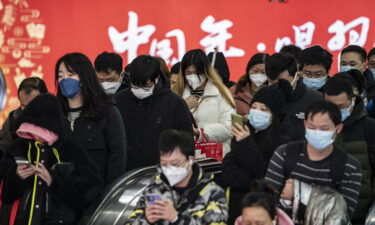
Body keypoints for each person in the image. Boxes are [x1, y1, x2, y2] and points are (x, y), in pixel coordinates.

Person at [0, 93, 102, 225]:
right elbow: (6, 196)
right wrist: (17, 177)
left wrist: (54, 181)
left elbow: (91, 191)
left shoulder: (70, 149)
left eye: (42, 132)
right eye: (32, 131)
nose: (37, 137)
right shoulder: (18, 148)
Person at [265, 100, 362, 221]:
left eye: (324, 129)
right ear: (305, 124)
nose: (317, 132)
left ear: (338, 128)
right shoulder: (284, 153)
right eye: (312, 127)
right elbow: (266, 201)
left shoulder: (349, 167)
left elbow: (343, 215)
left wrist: (298, 192)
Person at [127, 129, 228, 225]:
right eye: (164, 164)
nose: (169, 169)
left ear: (190, 160)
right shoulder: (154, 189)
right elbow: (131, 221)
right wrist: (146, 219)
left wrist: (177, 219)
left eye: (175, 164)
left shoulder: (212, 193)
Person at [56, 52, 126, 185]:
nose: (65, 80)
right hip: (62, 195)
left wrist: (108, 195)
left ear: (85, 77)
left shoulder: (106, 111)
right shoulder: (55, 113)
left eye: (71, 75)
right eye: (60, 76)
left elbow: (117, 155)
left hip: (96, 195)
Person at [115, 55, 193, 171]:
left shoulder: (174, 104)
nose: (140, 90)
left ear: (156, 78)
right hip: (126, 175)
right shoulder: (119, 100)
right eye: (136, 85)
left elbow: (186, 143)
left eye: (146, 86)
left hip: (163, 173)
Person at [222, 85, 285, 225]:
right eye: (254, 107)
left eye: (263, 110)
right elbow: (227, 171)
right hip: (236, 207)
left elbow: (264, 175)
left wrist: (246, 143)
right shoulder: (243, 132)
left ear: (273, 115)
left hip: (262, 211)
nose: (257, 112)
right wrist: (252, 180)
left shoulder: (281, 142)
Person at [324, 76, 375, 224]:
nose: (334, 112)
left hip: (360, 215)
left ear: (352, 101)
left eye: (340, 107)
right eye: (330, 106)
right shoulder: (315, 128)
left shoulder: (369, 127)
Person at [173, 49, 236, 155]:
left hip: (215, 157)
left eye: (197, 73)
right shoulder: (176, 92)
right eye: (188, 73)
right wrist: (183, 107)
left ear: (206, 72)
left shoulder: (221, 92)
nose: (193, 77)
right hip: (184, 157)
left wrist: (200, 132)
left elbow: (230, 128)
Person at [265, 53, 322, 144]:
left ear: (298, 76)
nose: (277, 87)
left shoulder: (316, 100)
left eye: (282, 82)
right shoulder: (263, 97)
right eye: (271, 82)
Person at [0, 77, 48, 155]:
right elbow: (4, 148)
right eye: (23, 105)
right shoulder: (13, 118)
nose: (27, 111)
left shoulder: (56, 120)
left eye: (32, 105)